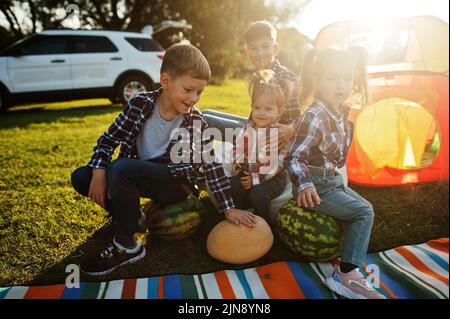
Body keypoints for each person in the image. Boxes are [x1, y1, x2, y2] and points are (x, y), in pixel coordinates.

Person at [71, 43, 256, 276]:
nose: (194, 98)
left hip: (174, 183)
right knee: (82, 177)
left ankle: (129, 246)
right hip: (136, 173)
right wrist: (98, 172)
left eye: (199, 92)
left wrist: (228, 209)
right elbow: (109, 139)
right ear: (166, 81)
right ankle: (129, 218)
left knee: (120, 168)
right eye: (188, 89)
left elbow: (211, 164)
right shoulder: (139, 104)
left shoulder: (195, 121)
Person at [285, 47, 386, 299]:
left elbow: (336, 157)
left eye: (346, 78)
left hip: (332, 180)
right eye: (332, 78)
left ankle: (349, 257)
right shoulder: (315, 116)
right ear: (318, 80)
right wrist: (304, 185)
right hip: (317, 186)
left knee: (365, 206)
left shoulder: (341, 112)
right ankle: (346, 274)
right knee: (364, 212)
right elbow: (294, 156)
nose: (340, 85)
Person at [202, 20, 301, 150]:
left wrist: (292, 129)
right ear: (247, 51)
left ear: (275, 48)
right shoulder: (262, 74)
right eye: (254, 48)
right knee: (205, 112)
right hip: (256, 126)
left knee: (205, 120)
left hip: (267, 136)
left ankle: (202, 164)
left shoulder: (284, 77)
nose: (260, 53)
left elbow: (297, 116)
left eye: (265, 46)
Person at [229, 69, 293, 227]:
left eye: (268, 109)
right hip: (251, 168)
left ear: (279, 112)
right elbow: (238, 145)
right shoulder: (249, 127)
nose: (261, 113)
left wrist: (255, 180)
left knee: (259, 192)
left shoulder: (278, 134)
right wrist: (237, 160)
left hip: (273, 176)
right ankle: (238, 216)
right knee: (233, 184)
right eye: (257, 108)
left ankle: (264, 226)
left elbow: (275, 166)